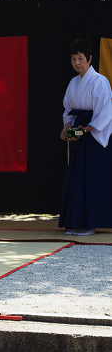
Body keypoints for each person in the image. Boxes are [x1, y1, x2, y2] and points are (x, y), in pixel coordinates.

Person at [59, 38, 112, 236]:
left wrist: (86, 130)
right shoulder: (73, 83)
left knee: (91, 179)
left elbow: (105, 114)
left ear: (89, 59)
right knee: (76, 179)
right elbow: (67, 110)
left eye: (80, 58)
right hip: (78, 133)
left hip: (93, 136)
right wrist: (67, 128)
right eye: (73, 59)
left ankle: (89, 224)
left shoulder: (100, 81)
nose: (77, 63)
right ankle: (76, 222)